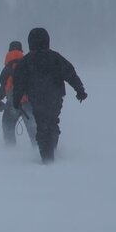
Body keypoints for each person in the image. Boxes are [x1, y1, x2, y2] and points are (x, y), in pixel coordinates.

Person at [12, 28, 87, 164]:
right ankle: (51, 152)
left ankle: (47, 158)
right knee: (52, 122)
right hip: (55, 97)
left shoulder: (26, 61)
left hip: (36, 97)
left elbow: (19, 82)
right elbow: (70, 73)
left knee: (42, 125)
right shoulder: (55, 57)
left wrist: (16, 100)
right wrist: (79, 89)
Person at [0, 41, 37, 147]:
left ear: (9, 51)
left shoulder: (6, 70)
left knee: (7, 126)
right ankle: (38, 151)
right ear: (21, 51)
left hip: (12, 104)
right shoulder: (28, 66)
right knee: (34, 130)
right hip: (28, 104)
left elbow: (3, 88)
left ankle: (11, 152)